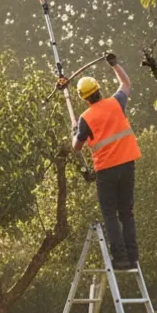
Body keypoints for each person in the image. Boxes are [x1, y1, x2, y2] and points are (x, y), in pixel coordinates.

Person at [62, 53, 141, 269]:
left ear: (84, 98)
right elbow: (125, 83)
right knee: (126, 212)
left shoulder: (86, 118)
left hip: (106, 171)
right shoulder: (116, 102)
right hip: (127, 165)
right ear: (99, 90)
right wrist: (115, 64)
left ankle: (121, 258)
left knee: (110, 214)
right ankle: (133, 256)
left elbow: (76, 146)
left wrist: (76, 131)